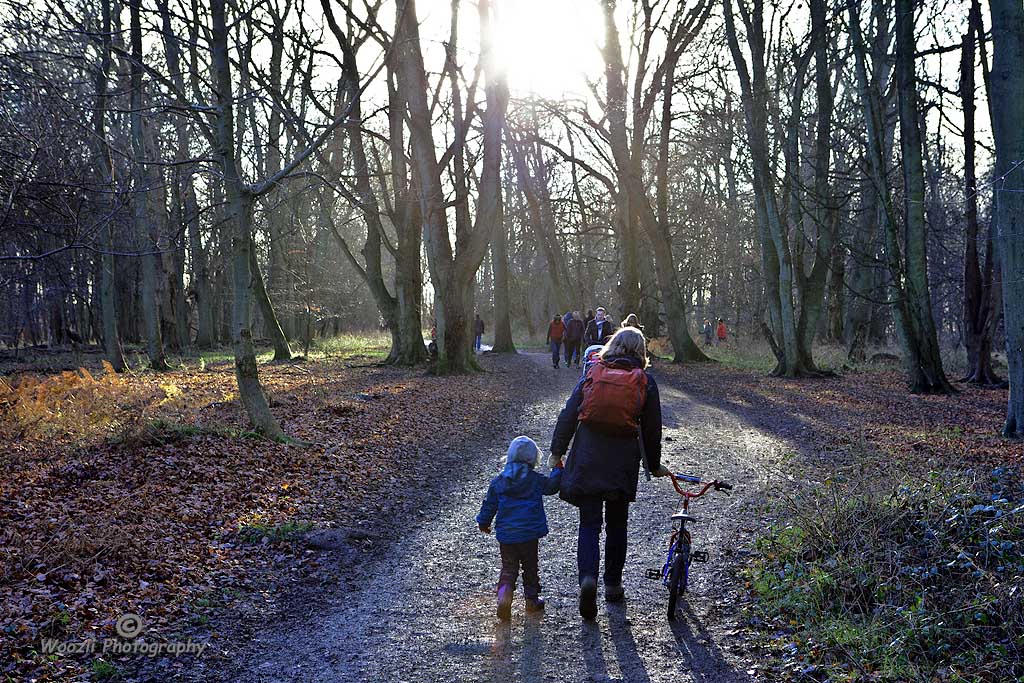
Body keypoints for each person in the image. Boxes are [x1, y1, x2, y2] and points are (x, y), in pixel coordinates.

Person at [549, 327, 670, 619]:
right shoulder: (645, 382)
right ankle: (613, 584)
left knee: (589, 523)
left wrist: (557, 451)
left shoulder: (593, 372)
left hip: (588, 456)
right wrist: (653, 465)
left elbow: (568, 413)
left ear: (612, 346)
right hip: (621, 461)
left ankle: (587, 578)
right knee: (617, 524)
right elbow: (653, 429)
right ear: (641, 352)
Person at [476, 436, 563, 620]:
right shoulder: (535, 479)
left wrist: (484, 522)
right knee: (530, 567)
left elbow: (489, 504)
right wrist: (557, 469)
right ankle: (531, 600)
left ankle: (504, 598)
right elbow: (552, 486)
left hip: (507, 535)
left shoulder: (499, 481)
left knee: (508, 567)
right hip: (529, 534)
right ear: (533, 458)